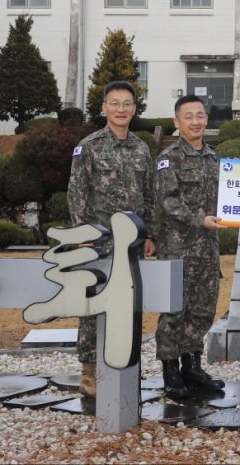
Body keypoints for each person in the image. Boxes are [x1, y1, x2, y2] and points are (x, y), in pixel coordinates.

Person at [66, 80, 157, 400]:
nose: (121, 109)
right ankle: (89, 370)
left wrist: (150, 234)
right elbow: (76, 194)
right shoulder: (88, 146)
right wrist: (82, 237)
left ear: (135, 108)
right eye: (114, 103)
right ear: (103, 107)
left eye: (127, 103)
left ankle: (123, 366)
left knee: (129, 306)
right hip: (99, 242)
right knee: (93, 307)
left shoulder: (141, 148)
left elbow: (149, 196)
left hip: (132, 245)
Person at [154, 95, 225, 398]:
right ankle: (170, 371)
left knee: (202, 308)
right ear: (177, 122)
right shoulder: (168, 158)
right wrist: (200, 219)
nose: (196, 121)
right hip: (178, 248)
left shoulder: (215, 158)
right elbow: (167, 202)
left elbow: (237, 193)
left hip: (207, 249)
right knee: (174, 311)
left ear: (207, 119)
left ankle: (192, 366)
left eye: (200, 115)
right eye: (189, 116)